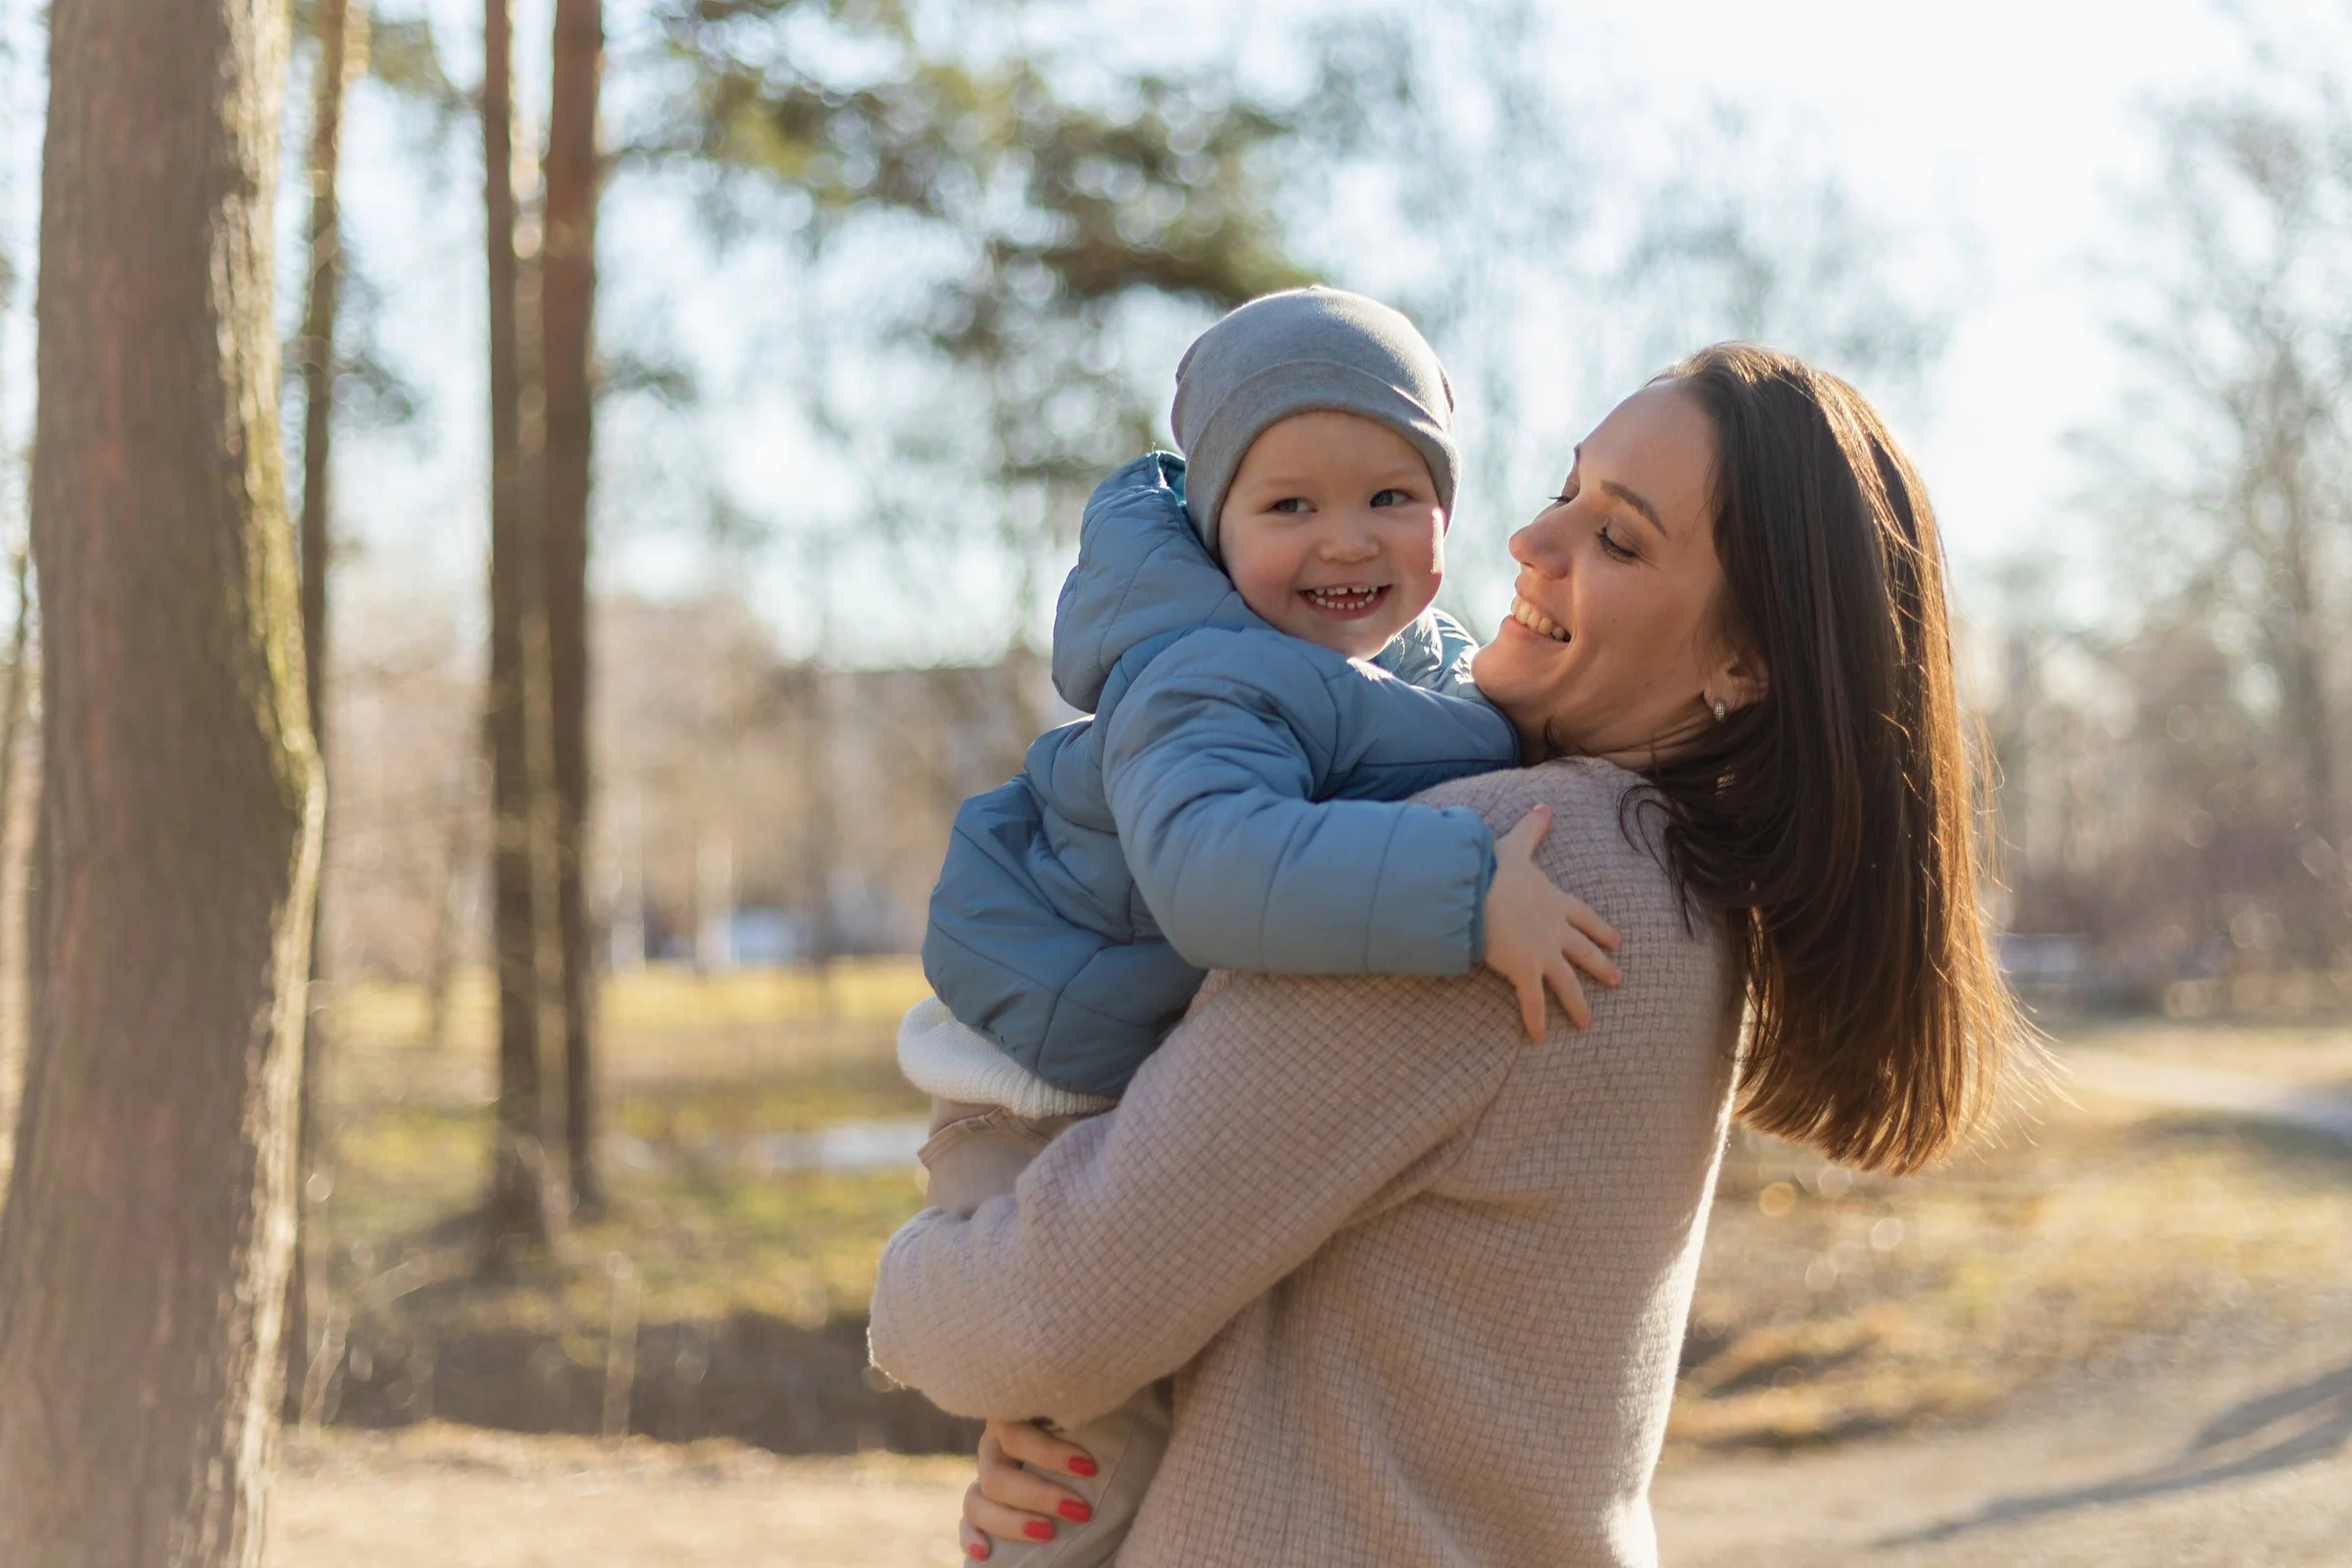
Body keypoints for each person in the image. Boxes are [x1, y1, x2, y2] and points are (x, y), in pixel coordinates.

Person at [870, 343, 2026, 1566]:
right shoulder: (1688, 893)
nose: (1533, 541)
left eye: (1617, 538)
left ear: (1747, 662)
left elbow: (1045, 1316)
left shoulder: (1502, 874)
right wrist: (1102, 1444)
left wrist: (915, 1284)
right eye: (1567, 490)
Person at [897, 286, 1624, 1565]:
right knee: (1085, 1466)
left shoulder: (1419, 663)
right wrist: (1464, 889)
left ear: (1446, 510)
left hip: (1131, 1070)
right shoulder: (1205, 672)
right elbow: (1214, 871)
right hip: (1037, 1099)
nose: (1346, 540)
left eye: (1391, 495)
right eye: (1289, 506)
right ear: (1214, 525)